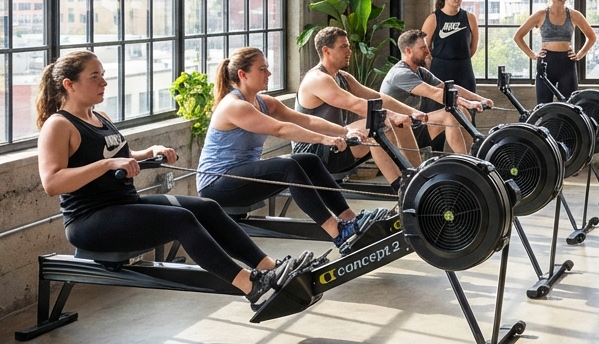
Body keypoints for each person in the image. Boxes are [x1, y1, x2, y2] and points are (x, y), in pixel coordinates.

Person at [35, 51, 304, 310]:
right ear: (69, 84)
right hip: (90, 221)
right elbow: (53, 182)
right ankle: (250, 285)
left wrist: (151, 152)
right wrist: (107, 164)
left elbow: (123, 156)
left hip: (125, 205)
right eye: (95, 76)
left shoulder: (100, 118)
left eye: (103, 75)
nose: (104, 82)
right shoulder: (59, 125)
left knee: (207, 207)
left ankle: (270, 267)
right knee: (181, 219)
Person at [199, 47, 376, 251]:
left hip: (242, 177)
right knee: (288, 167)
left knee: (307, 159)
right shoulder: (234, 106)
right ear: (243, 75)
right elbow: (280, 129)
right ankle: (337, 232)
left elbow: (307, 119)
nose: (269, 73)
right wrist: (325, 139)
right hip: (217, 184)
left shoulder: (263, 103)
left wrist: (345, 131)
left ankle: (350, 220)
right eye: (262, 69)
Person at [294, 27, 425, 187]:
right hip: (315, 151)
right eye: (343, 47)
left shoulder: (343, 77)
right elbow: (355, 104)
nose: (349, 51)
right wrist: (392, 115)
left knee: (399, 123)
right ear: (326, 51)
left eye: (348, 46)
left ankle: (420, 179)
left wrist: (411, 112)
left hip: (340, 143)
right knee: (378, 124)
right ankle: (402, 189)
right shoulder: (317, 79)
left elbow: (378, 98)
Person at [380, 29, 493, 155]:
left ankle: (469, 157)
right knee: (450, 115)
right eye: (423, 48)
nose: (428, 52)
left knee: (461, 111)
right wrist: (469, 103)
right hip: (397, 133)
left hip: (412, 125)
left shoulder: (419, 71)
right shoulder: (401, 74)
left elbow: (448, 88)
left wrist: (480, 99)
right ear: (408, 51)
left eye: (427, 47)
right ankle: (465, 164)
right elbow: (437, 94)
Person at [514, 0, 597, 105]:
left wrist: (580, 54)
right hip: (546, 63)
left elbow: (592, 37)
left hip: (567, 64)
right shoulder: (541, 15)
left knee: (569, 106)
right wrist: (533, 55)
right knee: (543, 106)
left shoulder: (574, 15)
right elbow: (518, 36)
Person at [422, 0, 480, 93]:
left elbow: (473, 46)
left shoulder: (470, 17)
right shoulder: (433, 18)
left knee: (468, 107)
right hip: (440, 69)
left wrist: (461, 59)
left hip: (464, 69)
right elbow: (424, 47)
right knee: (438, 106)